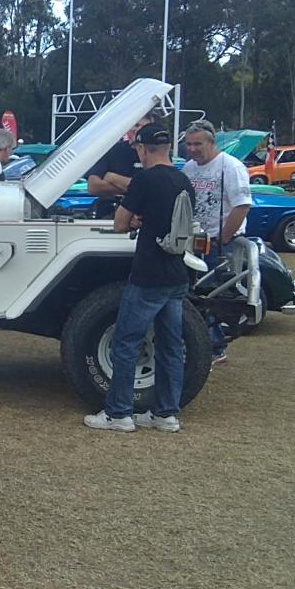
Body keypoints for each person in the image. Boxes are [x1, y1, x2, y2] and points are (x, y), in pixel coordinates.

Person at [84, 124, 194, 434]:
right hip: (176, 273)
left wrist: (132, 218)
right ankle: (166, 414)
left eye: (138, 150)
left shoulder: (145, 179)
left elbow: (119, 224)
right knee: (171, 346)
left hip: (148, 275)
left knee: (126, 343)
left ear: (144, 149)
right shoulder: (184, 179)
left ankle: (118, 413)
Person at [181, 119, 252, 365]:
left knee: (211, 296)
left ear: (211, 142)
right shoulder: (189, 168)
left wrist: (223, 236)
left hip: (219, 243)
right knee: (195, 296)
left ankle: (214, 348)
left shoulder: (230, 167)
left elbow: (242, 205)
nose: (192, 149)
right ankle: (205, 344)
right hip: (193, 242)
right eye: (188, 144)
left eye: (197, 144)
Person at [86, 111, 157, 196]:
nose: (136, 130)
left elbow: (155, 186)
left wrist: (112, 178)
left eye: (142, 126)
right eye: (135, 125)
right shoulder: (111, 150)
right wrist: (135, 187)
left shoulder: (157, 151)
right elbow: (93, 186)